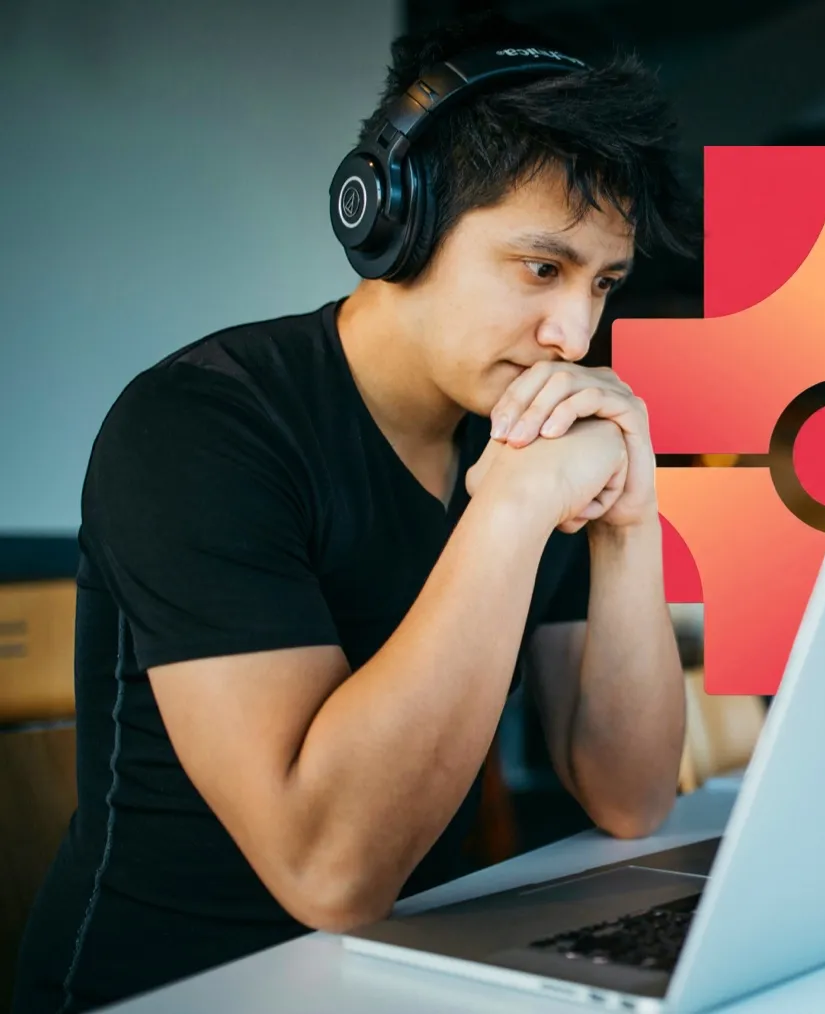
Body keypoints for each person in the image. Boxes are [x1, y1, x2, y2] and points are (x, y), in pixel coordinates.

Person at [13, 12, 700, 1013]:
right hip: (175, 988)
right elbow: (328, 875)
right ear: (396, 222)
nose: (576, 332)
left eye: (604, 284)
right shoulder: (200, 426)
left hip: (406, 973)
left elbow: (631, 798)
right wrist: (512, 509)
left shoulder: (519, 429)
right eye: (542, 268)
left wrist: (629, 523)